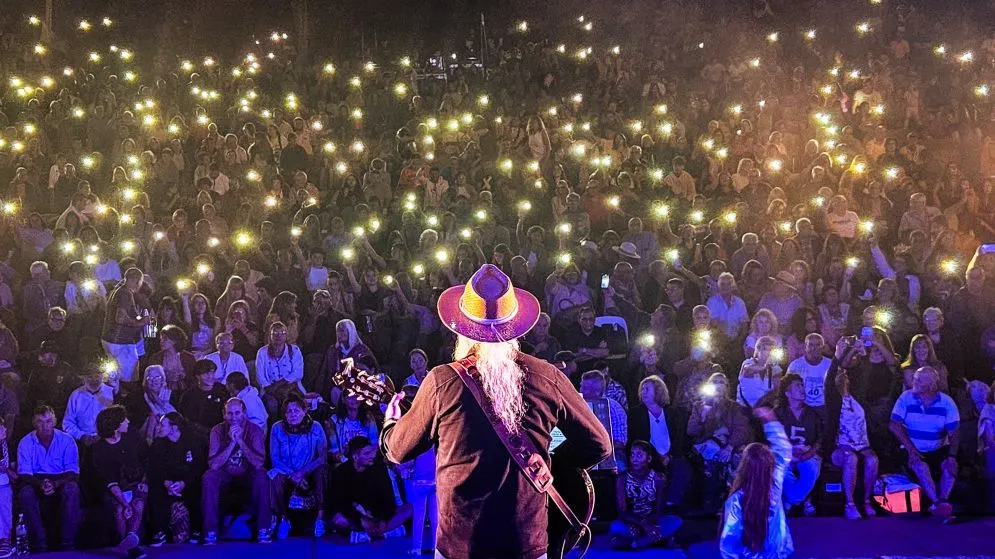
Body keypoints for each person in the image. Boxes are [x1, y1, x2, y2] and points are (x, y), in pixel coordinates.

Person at [381, 264, 611, 558]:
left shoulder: (442, 380)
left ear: (461, 329)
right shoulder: (547, 376)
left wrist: (390, 423)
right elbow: (599, 444)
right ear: (515, 325)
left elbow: (398, 450)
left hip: (461, 546)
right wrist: (548, 463)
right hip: (526, 543)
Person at [719, 407, 793, 559]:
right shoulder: (775, 485)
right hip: (776, 554)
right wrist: (771, 420)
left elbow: (730, 542)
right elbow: (783, 450)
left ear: (744, 466)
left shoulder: (736, 501)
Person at [889, 366, 960, 518]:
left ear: (930, 385)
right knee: (920, 466)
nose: (913, 381)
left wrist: (952, 457)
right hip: (911, 447)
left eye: (918, 380)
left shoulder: (947, 402)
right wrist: (911, 450)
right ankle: (938, 503)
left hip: (938, 448)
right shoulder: (906, 398)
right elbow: (894, 425)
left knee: (950, 468)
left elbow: (954, 432)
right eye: (914, 378)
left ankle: (941, 502)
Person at [202, 398, 272, 544]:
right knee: (209, 477)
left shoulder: (254, 430)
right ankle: (210, 531)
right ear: (224, 414)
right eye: (230, 413)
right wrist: (232, 442)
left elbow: (259, 463)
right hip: (225, 476)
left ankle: (263, 528)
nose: (233, 417)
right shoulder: (217, 431)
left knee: (262, 475)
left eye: (237, 413)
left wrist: (240, 441)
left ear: (244, 413)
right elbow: (213, 465)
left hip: (247, 475)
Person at [16, 406, 81, 552]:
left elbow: (73, 472)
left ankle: (67, 543)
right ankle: (39, 544)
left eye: (48, 421)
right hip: (35, 479)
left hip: (61, 479)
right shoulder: (25, 442)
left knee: (72, 489)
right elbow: (24, 473)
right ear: (34, 422)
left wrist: (55, 483)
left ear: (55, 421)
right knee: (25, 493)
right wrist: (41, 484)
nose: (45, 426)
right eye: (40, 421)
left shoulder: (67, 440)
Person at [824, 354, 880, 521]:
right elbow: (831, 377)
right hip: (839, 446)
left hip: (862, 444)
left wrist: (864, 350)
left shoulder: (859, 398)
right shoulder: (833, 400)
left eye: (845, 375)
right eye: (838, 376)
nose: (842, 377)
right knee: (851, 458)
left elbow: (864, 373)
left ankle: (866, 500)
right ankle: (849, 504)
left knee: (872, 460)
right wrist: (838, 357)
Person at [328, 436, 412, 544]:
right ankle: (385, 533)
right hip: (357, 517)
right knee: (338, 519)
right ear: (355, 456)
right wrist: (361, 519)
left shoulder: (379, 469)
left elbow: (387, 498)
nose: (371, 456)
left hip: (377, 515)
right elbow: (339, 503)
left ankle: (372, 534)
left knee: (409, 508)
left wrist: (383, 519)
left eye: (372, 453)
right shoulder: (341, 472)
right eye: (366, 454)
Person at [90, 405, 148, 559]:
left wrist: (144, 480)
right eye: (124, 420)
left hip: (135, 483)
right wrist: (124, 503)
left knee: (139, 504)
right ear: (115, 425)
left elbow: (145, 460)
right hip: (113, 490)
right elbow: (109, 481)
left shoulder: (132, 436)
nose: (128, 421)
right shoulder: (98, 449)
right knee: (120, 511)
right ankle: (129, 547)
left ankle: (130, 539)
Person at [268, 393, 328, 539]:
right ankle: (284, 519)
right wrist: (293, 475)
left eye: (296, 411)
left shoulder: (316, 427)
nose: (293, 414)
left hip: (309, 471)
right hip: (287, 471)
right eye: (289, 411)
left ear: (304, 411)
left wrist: (302, 473)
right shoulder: (276, 428)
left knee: (323, 471)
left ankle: (320, 518)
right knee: (273, 476)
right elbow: (275, 458)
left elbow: (322, 457)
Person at [628, 376, 692, 511]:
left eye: (647, 389)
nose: (643, 392)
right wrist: (656, 456)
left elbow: (678, 438)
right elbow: (637, 439)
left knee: (682, 467)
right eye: (642, 389)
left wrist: (669, 456)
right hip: (649, 455)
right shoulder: (636, 413)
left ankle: (672, 503)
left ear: (658, 391)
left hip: (671, 454)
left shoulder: (672, 412)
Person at [610, 440, 683, 551]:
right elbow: (622, 511)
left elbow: (659, 510)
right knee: (615, 527)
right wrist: (643, 525)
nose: (634, 459)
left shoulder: (658, 479)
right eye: (632, 455)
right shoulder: (622, 478)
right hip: (631, 522)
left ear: (649, 459)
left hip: (652, 521)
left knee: (676, 521)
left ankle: (636, 543)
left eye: (639, 455)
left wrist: (649, 524)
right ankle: (654, 540)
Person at [147, 412, 208, 546]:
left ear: (174, 427)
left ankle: (197, 530)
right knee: (155, 491)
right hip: (167, 482)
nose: (158, 427)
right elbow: (153, 468)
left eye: (162, 425)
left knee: (198, 488)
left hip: (187, 481)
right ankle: (159, 531)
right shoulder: (158, 443)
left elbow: (198, 467)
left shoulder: (193, 441)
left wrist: (184, 483)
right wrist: (166, 482)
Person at [774, 374, 823, 516]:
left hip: (807, 452)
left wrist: (809, 453)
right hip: (785, 453)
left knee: (812, 468)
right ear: (787, 393)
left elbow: (820, 439)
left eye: (802, 385)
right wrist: (789, 451)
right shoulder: (778, 413)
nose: (802, 389)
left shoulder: (812, 414)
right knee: (779, 469)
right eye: (797, 386)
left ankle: (788, 503)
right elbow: (773, 439)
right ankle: (804, 498)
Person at [101, 268, 153, 383]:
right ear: (137, 281)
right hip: (120, 342)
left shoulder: (119, 291)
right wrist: (140, 322)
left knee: (115, 377)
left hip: (110, 340)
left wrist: (141, 318)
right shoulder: (125, 293)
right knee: (128, 378)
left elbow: (130, 315)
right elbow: (120, 318)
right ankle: (125, 398)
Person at [255, 322, 305, 415]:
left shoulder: (294, 350)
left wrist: (279, 384)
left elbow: (298, 373)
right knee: (271, 405)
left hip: (291, 386)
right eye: (275, 333)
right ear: (270, 336)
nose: (278, 336)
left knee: (296, 403)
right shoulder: (262, 352)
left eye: (282, 333)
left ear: (286, 335)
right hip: (269, 388)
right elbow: (260, 376)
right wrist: (270, 388)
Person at [62, 364, 115, 445]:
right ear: (83, 378)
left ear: (103, 377)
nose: (94, 380)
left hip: (107, 441)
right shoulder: (76, 395)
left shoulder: (111, 393)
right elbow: (68, 422)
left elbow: (118, 420)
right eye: (89, 377)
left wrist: (103, 435)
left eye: (97, 376)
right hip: (81, 442)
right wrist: (81, 436)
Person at [786, 333, 832, 418]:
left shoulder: (830, 365)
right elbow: (788, 387)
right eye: (810, 344)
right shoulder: (795, 365)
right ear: (805, 347)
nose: (814, 348)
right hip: (803, 407)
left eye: (818, 345)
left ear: (823, 347)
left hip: (825, 407)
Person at [177, 359, 229, 434]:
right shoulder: (188, 396)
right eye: (205, 374)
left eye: (212, 372)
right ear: (197, 376)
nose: (210, 376)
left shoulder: (223, 390)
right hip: (199, 435)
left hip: (223, 431)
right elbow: (188, 421)